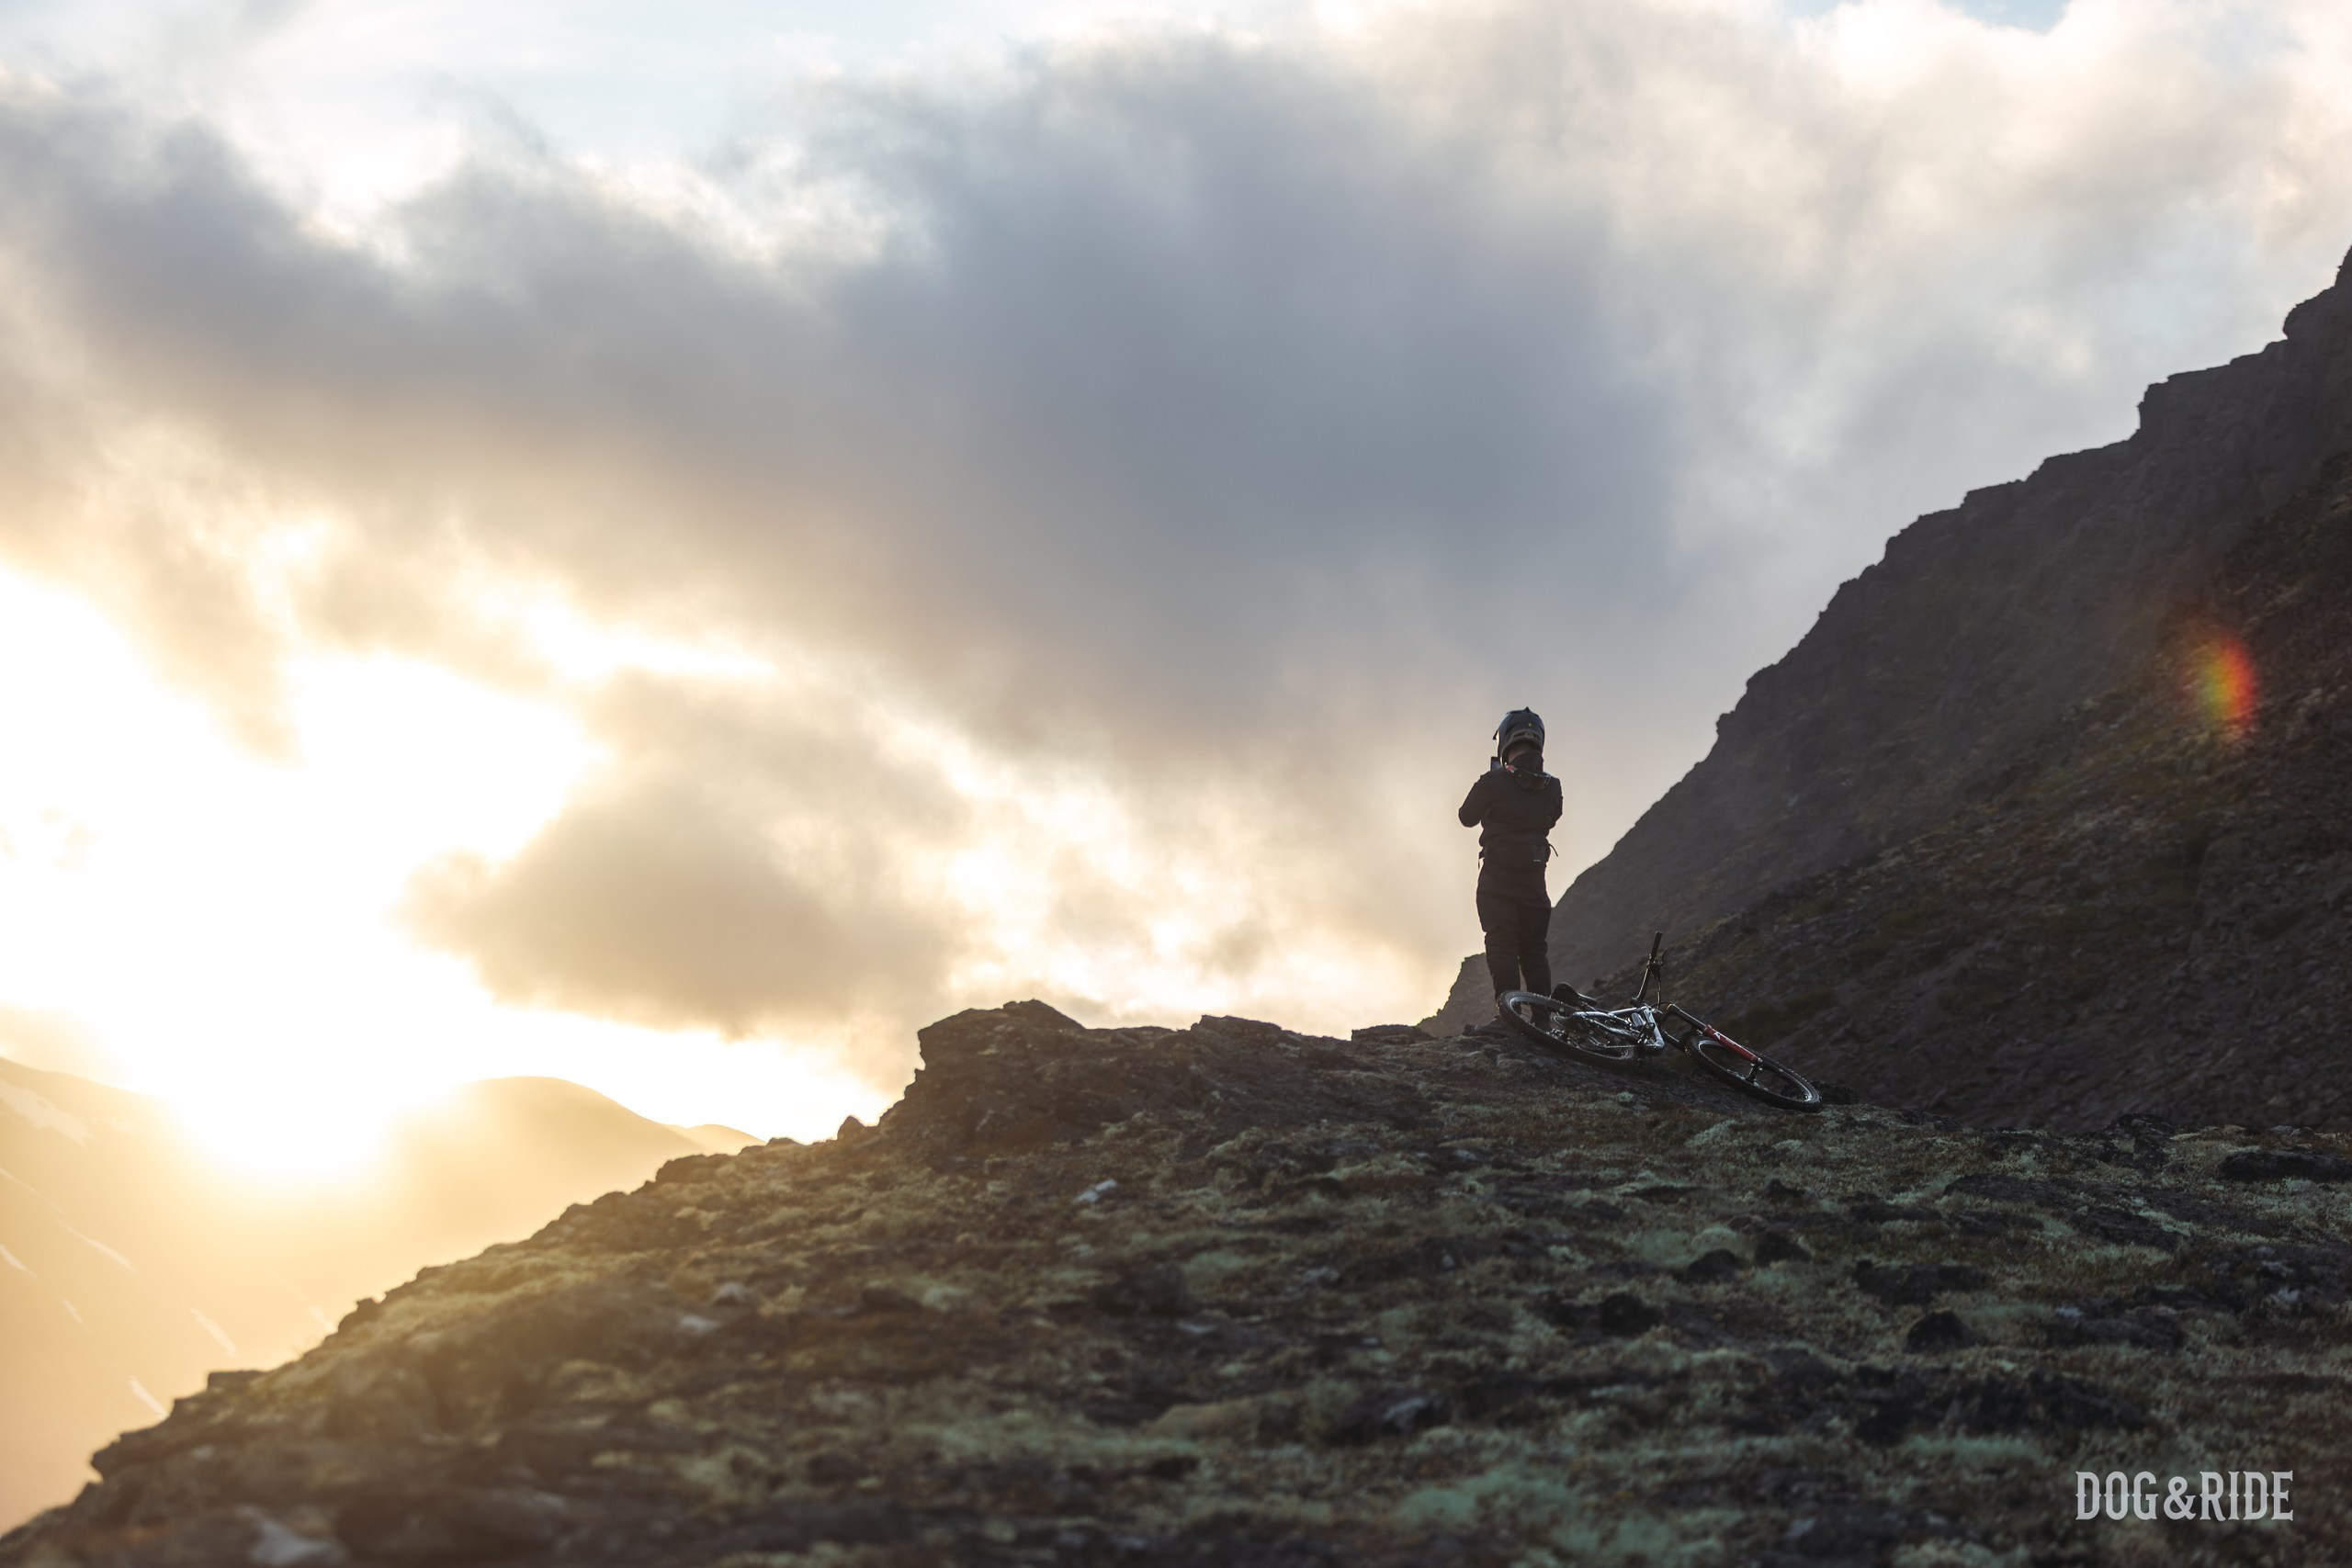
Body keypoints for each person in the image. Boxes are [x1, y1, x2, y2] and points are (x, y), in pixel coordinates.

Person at [1458, 708, 1561, 1013]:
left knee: (1502, 945)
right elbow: (1552, 817)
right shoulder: (1553, 786)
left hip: (1497, 880)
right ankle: (1543, 1022)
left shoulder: (1494, 781)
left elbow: (1466, 817)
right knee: (1533, 950)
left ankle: (1509, 1017)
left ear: (1504, 740)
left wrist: (1493, 789)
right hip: (1535, 882)